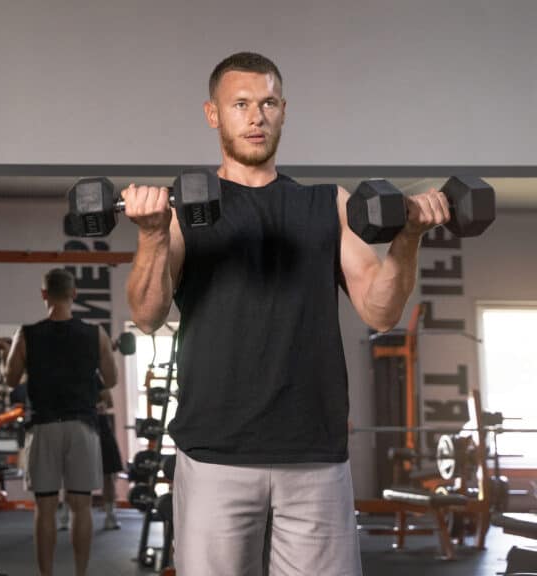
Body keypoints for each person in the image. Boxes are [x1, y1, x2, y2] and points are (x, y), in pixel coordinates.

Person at [123, 52, 450, 575]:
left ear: (284, 110)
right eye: (241, 104)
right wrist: (152, 233)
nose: (257, 116)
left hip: (314, 456)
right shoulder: (186, 211)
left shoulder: (328, 204)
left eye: (268, 102)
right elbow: (145, 313)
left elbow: (381, 312)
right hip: (214, 455)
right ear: (214, 114)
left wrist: (408, 238)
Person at [0, 268, 118, 576]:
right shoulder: (96, 334)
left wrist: (5, 356)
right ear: (74, 294)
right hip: (82, 427)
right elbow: (112, 380)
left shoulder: (26, 334)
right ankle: (80, 574)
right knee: (81, 507)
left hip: (44, 427)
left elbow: (10, 380)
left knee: (46, 507)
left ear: (43, 295)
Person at [96, 388, 124, 530]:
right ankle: (66, 518)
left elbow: (109, 403)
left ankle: (110, 516)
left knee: (108, 475)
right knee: (73, 476)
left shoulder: (96, 379)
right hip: (83, 425)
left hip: (100, 427)